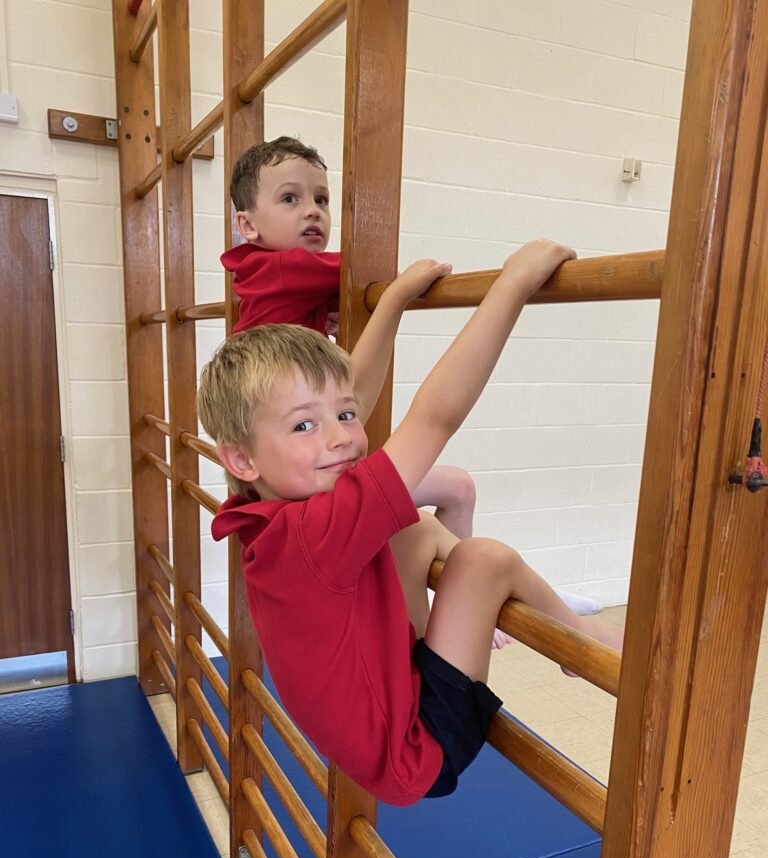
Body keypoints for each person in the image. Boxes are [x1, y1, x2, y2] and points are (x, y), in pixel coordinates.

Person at [199, 239, 623, 807]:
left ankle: (482, 618)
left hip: (386, 709)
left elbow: (360, 389)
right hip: (419, 751)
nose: (341, 435)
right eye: (304, 426)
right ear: (243, 460)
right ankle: (579, 635)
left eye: (346, 415)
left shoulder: (272, 517)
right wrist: (513, 285)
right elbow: (435, 416)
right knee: (484, 560)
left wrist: (394, 301)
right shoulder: (312, 534)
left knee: (417, 529)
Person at [221, 135, 601, 626]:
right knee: (446, 497)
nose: (312, 212)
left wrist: (333, 310)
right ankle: (496, 605)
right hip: (287, 458)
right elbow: (364, 276)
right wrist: (396, 290)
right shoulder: (285, 269)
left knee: (447, 499)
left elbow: (348, 378)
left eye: (321, 199)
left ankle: (500, 599)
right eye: (290, 199)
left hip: (277, 454)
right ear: (247, 225)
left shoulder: (268, 278)